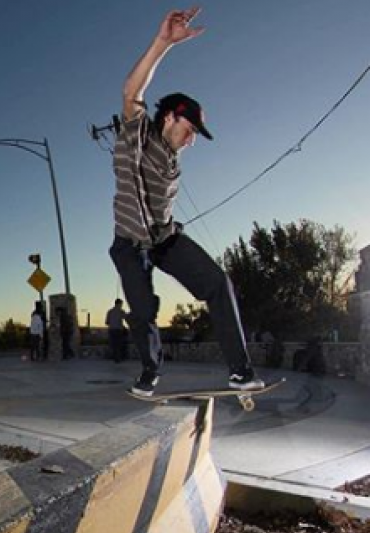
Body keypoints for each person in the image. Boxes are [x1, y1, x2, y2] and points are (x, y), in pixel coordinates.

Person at [109, 7, 263, 397]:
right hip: (129, 243)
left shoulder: (174, 160)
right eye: (189, 130)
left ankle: (241, 370)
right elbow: (131, 92)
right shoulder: (138, 136)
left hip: (164, 239)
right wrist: (163, 43)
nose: (191, 140)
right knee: (143, 311)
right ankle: (149, 370)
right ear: (170, 118)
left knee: (217, 282)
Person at [105, 298, 129, 363]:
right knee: (119, 344)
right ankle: (119, 358)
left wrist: (112, 323)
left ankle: (115, 357)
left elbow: (107, 322)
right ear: (119, 304)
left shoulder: (110, 311)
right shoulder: (121, 311)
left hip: (111, 330)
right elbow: (127, 319)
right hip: (119, 330)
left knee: (114, 345)